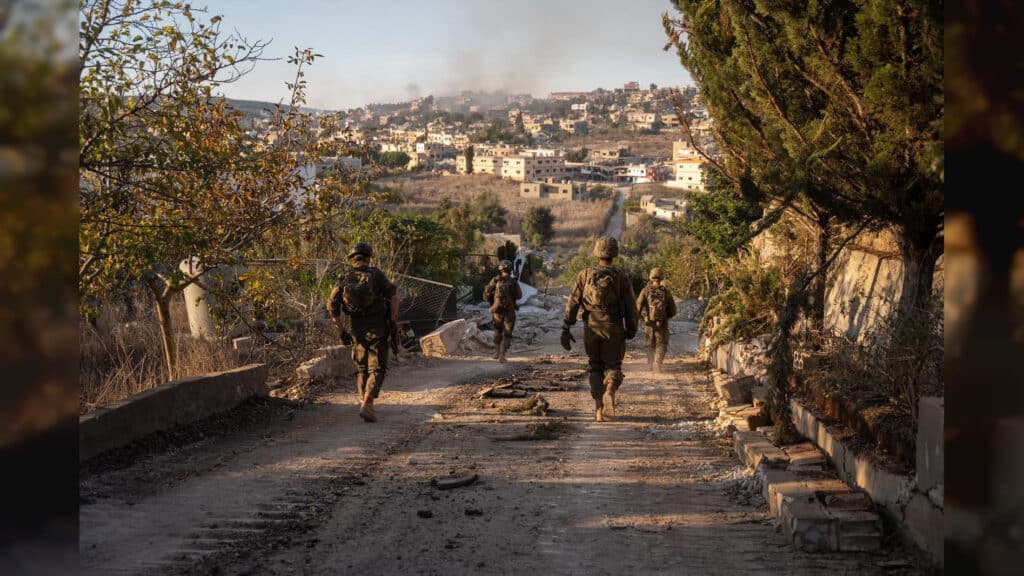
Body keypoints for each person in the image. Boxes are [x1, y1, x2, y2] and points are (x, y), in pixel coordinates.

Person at [561, 237, 639, 421]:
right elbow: (631, 307)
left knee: (595, 367)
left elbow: (573, 302)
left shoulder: (584, 275)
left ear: (596, 252)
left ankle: (598, 411)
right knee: (614, 365)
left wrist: (566, 327)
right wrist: (631, 329)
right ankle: (610, 390)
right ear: (615, 253)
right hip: (614, 327)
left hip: (591, 327)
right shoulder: (621, 277)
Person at [327, 242, 399, 423]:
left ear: (352, 260)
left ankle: (365, 402)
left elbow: (332, 308)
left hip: (356, 330)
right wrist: (392, 321)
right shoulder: (377, 275)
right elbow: (395, 298)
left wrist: (342, 331)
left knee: (361, 368)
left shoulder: (344, 279)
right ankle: (368, 402)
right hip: (378, 329)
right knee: (378, 368)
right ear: (368, 258)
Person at [636, 267, 677, 372]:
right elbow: (673, 310)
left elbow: (638, 307)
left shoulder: (645, 290)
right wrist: (664, 317)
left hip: (648, 323)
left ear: (651, 277)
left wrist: (643, 318)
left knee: (650, 344)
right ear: (661, 278)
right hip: (662, 323)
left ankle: (650, 364)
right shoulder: (666, 292)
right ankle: (657, 363)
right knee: (662, 343)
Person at [483, 259, 522, 363]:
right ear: (510, 270)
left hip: (497, 310)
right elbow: (519, 296)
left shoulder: (495, 280)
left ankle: (496, 353)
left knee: (497, 331)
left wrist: (492, 302)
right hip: (509, 311)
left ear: (500, 269)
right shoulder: (513, 281)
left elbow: (486, 295)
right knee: (508, 333)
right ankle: (502, 356)